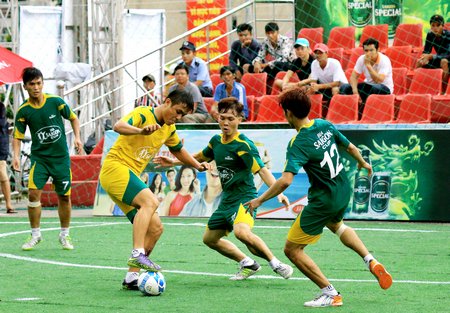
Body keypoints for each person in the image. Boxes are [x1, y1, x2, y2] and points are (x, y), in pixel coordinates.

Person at [245, 88, 393, 308]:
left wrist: (259, 200)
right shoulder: (324, 124)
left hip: (324, 199)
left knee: (291, 250)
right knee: (338, 226)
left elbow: (285, 181)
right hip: (342, 191)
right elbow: (350, 147)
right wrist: (362, 163)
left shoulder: (298, 142)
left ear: (288, 113)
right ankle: (370, 260)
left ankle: (330, 293)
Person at [154, 97, 294, 281]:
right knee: (210, 239)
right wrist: (174, 161)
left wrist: (279, 192)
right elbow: (199, 157)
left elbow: (262, 170)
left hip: (245, 197)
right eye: (222, 118)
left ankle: (277, 264)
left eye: (230, 118)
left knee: (241, 232)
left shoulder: (244, 145)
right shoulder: (216, 141)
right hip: (226, 199)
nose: (225, 122)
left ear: (240, 119)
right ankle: (248, 263)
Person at [98, 89, 210, 290]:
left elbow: (178, 150)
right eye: (177, 112)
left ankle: (132, 277)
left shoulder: (168, 128)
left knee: (156, 228)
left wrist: (197, 165)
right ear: (166, 102)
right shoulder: (143, 113)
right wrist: (141, 131)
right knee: (150, 201)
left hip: (127, 177)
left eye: (182, 115)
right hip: (115, 169)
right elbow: (118, 126)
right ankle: (137, 254)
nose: (178, 118)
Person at [13, 67, 83, 250]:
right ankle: (35, 235)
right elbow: (17, 137)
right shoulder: (23, 111)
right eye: (32, 84)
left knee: (64, 197)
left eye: (39, 83)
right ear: (25, 86)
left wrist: (77, 137)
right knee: (34, 194)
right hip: (40, 159)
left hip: (60, 158)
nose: (36, 87)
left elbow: (74, 118)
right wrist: (15, 157)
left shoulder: (56, 102)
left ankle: (65, 235)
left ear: (42, 83)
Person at [339, 38, 393, 117]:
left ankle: (362, 114)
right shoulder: (361, 59)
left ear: (378, 49)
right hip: (367, 86)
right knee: (344, 87)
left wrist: (368, 65)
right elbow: (353, 77)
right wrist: (355, 93)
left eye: (371, 50)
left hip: (384, 88)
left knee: (365, 87)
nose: (368, 53)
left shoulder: (384, 60)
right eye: (366, 51)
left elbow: (379, 80)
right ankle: (346, 115)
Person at [304, 43, 347, 116]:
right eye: (316, 53)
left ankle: (333, 114)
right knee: (308, 89)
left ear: (327, 53)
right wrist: (312, 87)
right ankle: (310, 114)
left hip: (341, 88)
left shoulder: (335, 63)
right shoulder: (314, 63)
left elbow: (336, 83)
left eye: (320, 53)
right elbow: (313, 81)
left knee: (335, 89)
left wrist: (318, 86)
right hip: (324, 88)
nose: (318, 55)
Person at [252, 22, 295, 94]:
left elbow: (284, 58)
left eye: (272, 33)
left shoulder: (285, 40)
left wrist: (266, 65)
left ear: (278, 32)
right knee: (252, 67)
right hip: (274, 64)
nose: (270, 35)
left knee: (277, 65)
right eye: (268, 33)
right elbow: (260, 55)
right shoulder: (266, 41)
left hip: (289, 64)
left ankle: (270, 85)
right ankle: (260, 88)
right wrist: (256, 62)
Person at [416, 14, 450, 93]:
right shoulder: (430, 35)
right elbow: (426, 51)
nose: (435, 28)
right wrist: (424, 57)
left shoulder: (448, 35)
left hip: (447, 60)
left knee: (444, 61)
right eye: (433, 25)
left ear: (443, 26)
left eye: (438, 25)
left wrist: (431, 56)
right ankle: (417, 88)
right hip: (437, 58)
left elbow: (448, 54)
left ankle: (442, 91)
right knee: (419, 62)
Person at [0, 101, 14, 214]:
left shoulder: (0, 107)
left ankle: (9, 204)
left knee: (2, 173)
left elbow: (2, 123)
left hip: (0, 145)